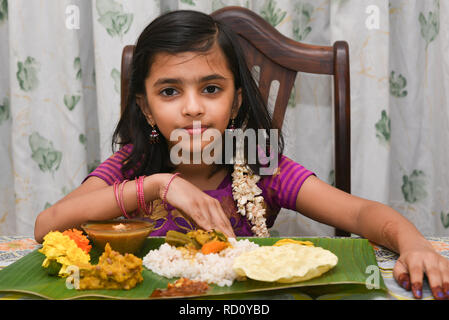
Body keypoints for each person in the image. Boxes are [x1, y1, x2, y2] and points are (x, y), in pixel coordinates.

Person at [34, 10, 448, 300]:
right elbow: (45, 226)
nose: (193, 107)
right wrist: (158, 185)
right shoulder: (131, 167)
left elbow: (360, 216)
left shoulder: (259, 165)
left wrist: (413, 243)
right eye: (169, 91)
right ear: (145, 108)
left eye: (211, 89)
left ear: (234, 104)